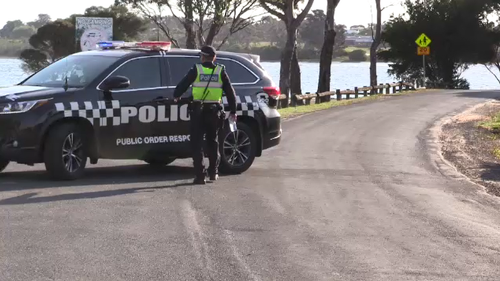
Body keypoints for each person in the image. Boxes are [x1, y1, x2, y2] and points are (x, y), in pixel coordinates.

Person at [173, 45, 238, 185]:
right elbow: (231, 93)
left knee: (197, 143)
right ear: (214, 58)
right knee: (213, 141)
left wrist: (176, 96)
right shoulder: (221, 71)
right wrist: (233, 110)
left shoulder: (196, 69)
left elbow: (182, 85)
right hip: (215, 111)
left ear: (202, 57)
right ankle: (213, 172)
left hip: (198, 111)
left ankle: (200, 176)